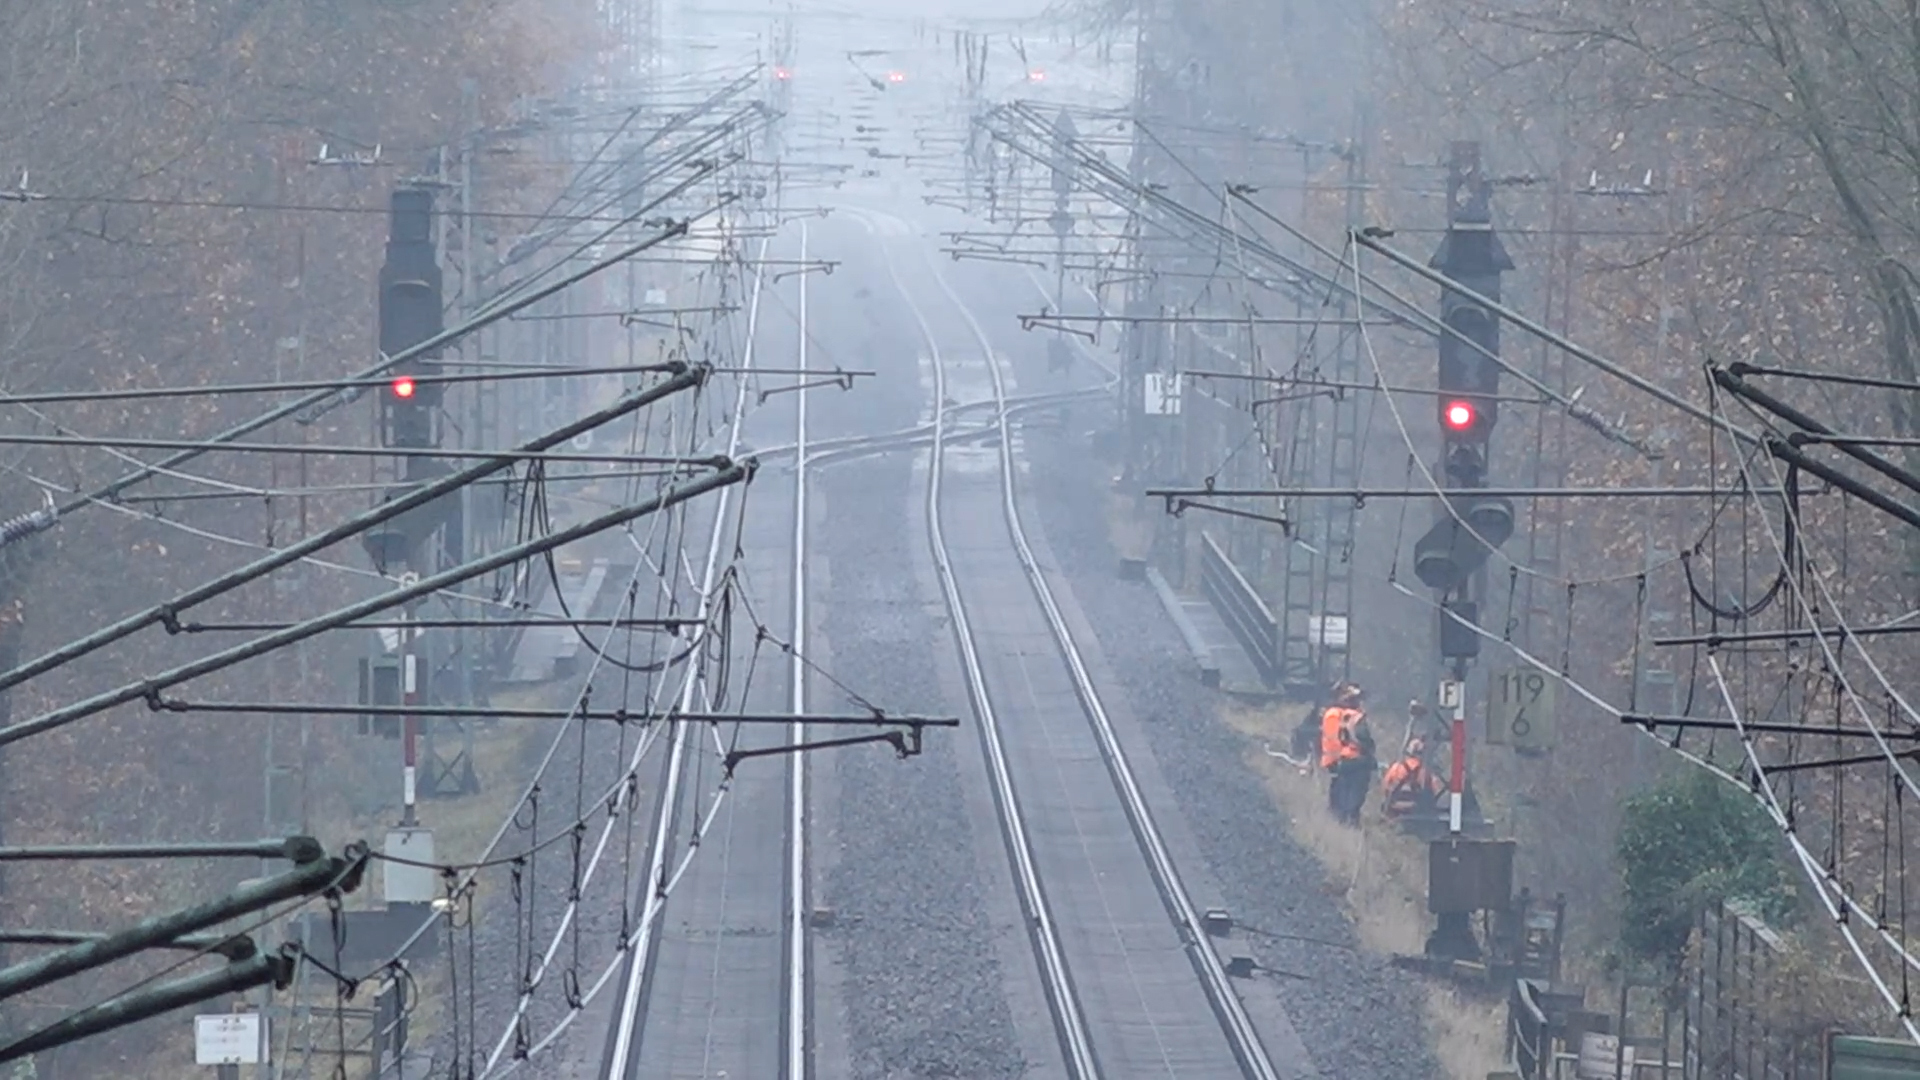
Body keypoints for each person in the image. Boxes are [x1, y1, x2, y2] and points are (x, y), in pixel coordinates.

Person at [1319, 683, 1376, 825]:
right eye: (1355, 699)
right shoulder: (1346, 716)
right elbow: (1334, 741)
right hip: (1349, 760)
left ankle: (1340, 822)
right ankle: (1346, 822)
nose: (1359, 702)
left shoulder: (1338, 714)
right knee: (1349, 799)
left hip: (1342, 761)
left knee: (1341, 797)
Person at [1382, 738, 1447, 819]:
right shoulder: (1424, 771)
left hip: (1395, 806)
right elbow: (1433, 790)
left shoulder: (1396, 767)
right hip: (1414, 810)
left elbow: (1386, 785)